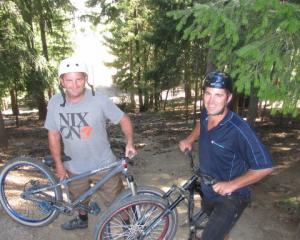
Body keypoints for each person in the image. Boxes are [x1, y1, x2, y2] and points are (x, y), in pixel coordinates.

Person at [44, 56, 137, 230]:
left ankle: (127, 227)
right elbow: (53, 135)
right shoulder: (55, 103)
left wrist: (130, 142)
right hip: (74, 165)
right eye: (69, 80)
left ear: (85, 79)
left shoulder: (99, 100)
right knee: (78, 197)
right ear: (61, 81)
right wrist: (59, 164)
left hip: (104, 164)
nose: (74, 84)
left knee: (118, 201)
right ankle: (82, 219)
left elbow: (123, 119)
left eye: (79, 79)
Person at [179, 71, 273, 240]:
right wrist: (190, 139)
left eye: (218, 95)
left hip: (231, 198)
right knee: (222, 232)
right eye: (208, 93)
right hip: (208, 189)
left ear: (228, 98)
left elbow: (265, 166)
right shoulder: (207, 112)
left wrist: (231, 185)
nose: (211, 101)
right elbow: (201, 125)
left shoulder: (239, 130)